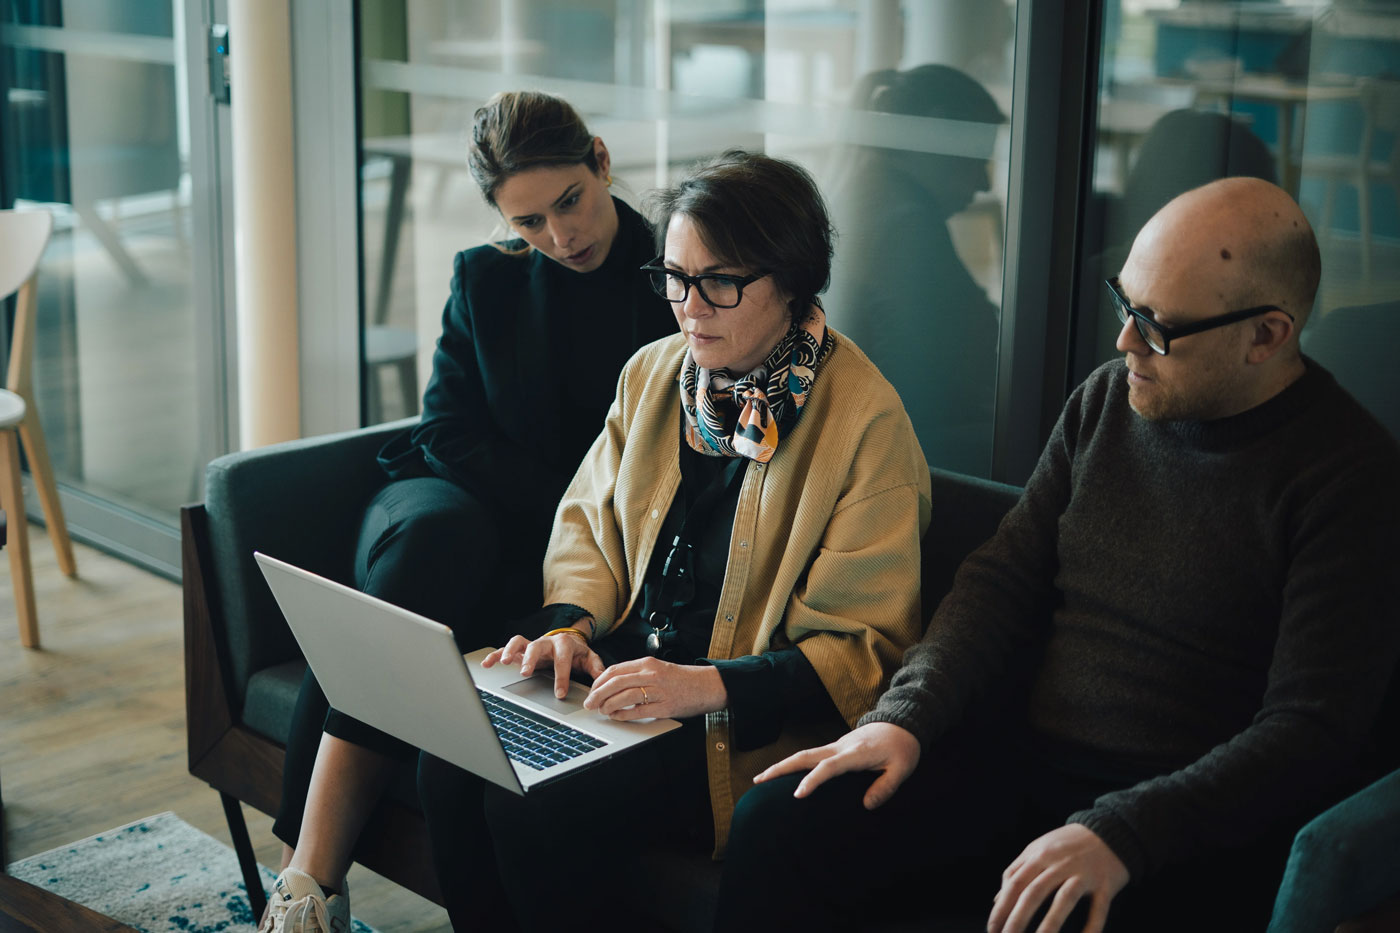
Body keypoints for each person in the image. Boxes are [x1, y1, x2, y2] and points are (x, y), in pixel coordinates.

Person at [716, 176, 1400, 933]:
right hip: (1022, 764)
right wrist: (905, 716)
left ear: (1266, 335)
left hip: (1182, 823)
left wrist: (1124, 831)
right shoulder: (1110, 400)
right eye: (1124, 303)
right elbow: (1000, 579)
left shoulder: (1350, 480)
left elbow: (1309, 730)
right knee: (782, 821)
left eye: (1156, 325)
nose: (1124, 342)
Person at [415, 149, 931, 932]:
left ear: (791, 280)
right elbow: (587, 522)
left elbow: (865, 652)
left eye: (718, 282)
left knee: (534, 803)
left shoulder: (865, 423)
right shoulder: (655, 375)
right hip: (620, 685)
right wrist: (569, 627)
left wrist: (705, 685)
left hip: (733, 725)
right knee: (447, 760)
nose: (690, 307)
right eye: (674, 278)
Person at [260, 91, 673, 932]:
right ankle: (307, 881)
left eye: (569, 202)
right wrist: (559, 499)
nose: (561, 237)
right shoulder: (487, 277)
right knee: (434, 554)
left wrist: (575, 518)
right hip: (450, 498)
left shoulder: (673, 272)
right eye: (528, 222)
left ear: (599, 160)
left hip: (582, 542)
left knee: (444, 593)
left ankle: (306, 880)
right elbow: (445, 429)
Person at [824, 64, 1005, 474]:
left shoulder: (863, 197)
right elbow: (941, 372)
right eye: (974, 160)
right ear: (933, 140)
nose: (982, 183)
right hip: (901, 455)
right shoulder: (906, 226)